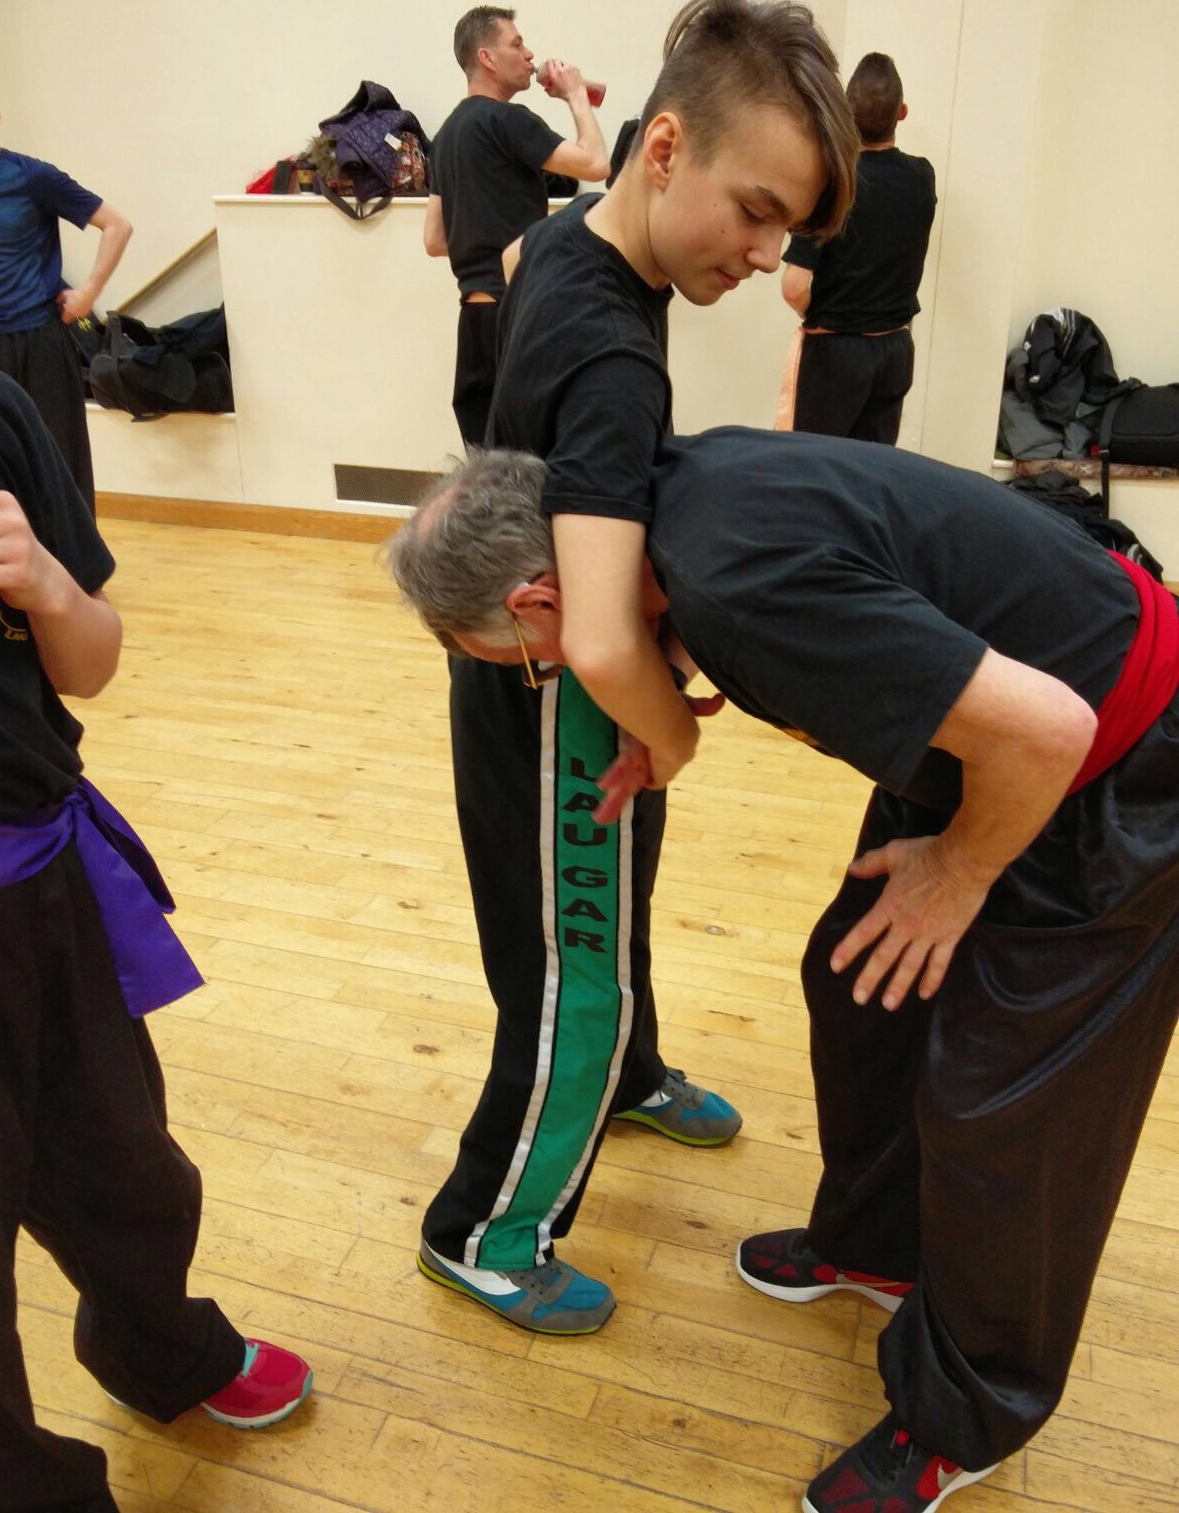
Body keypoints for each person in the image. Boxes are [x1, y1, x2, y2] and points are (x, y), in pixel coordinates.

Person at [388, 434, 1179, 1513]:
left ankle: (967, 1417)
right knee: (860, 989)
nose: (553, 675)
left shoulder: (739, 582)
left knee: (1003, 1111)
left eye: (532, 662)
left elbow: (1049, 732)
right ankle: (877, 1246)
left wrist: (960, 873)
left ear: (539, 602)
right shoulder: (667, 504)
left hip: (1118, 767)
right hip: (995, 742)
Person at [397, 0, 860, 1338]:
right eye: (757, 208)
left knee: (609, 911)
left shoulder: (568, 247)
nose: (767, 253)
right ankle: (487, 1227)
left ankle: (635, 1071)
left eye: (792, 229)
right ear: (663, 150)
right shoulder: (611, 351)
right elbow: (599, 635)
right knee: (570, 972)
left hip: (535, 668)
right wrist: (677, 734)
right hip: (564, 705)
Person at [0, 363, 312, 1513]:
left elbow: (93, 662)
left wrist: (51, 592)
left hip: (38, 877)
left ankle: (159, 1347)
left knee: (126, 1164)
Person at [424, 6, 610, 444]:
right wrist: (575, 94)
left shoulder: (447, 134)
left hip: (474, 320)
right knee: (531, 459)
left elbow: (434, 240)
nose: (530, 54)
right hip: (516, 314)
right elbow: (597, 163)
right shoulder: (507, 120)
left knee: (486, 467)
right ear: (487, 58)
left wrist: (483, 231)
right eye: (517, 43)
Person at [0, 78, 133, 513]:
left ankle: (78, 574)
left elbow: (117, 226)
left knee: (58, 457)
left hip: (38, 340)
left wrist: (88, 293)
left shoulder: (33, 177)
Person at [779, 53, 935, 444]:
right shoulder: (922, 177)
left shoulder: (834, 183)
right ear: (902, 112)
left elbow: (794, 286)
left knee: (809, 469)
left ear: (845, 115)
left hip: (835, 352)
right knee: (871, 474)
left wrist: (825, 315)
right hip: (895, 351)